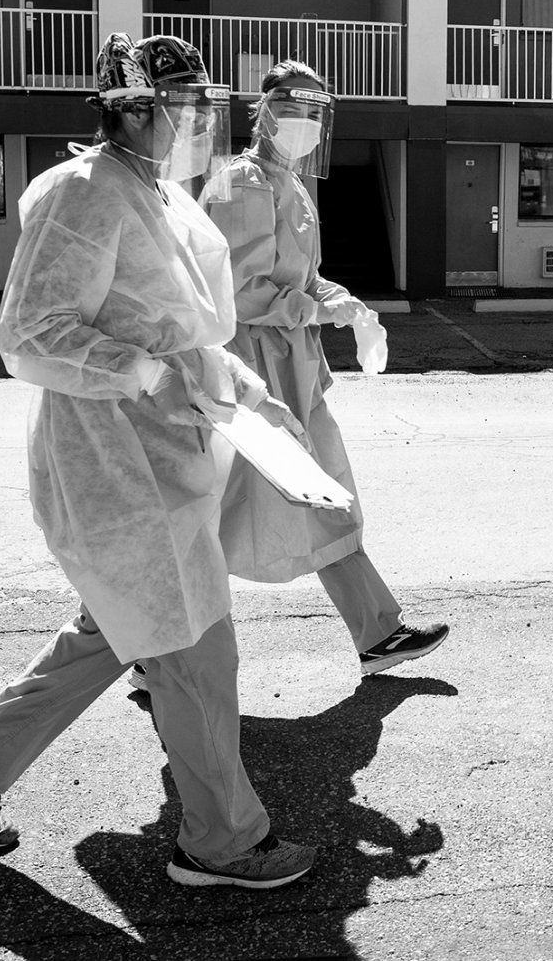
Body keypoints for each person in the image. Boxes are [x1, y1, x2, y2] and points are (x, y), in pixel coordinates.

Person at [0, 32, 316, 891]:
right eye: (185, 104)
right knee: (193, 648)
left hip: (169, 456)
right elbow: (31, 330)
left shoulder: (160, 196)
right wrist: (143, 373)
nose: (199, 119)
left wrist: (245, 392)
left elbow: (187, 329)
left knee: (121, 628)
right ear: (134, 106)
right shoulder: (84, 193)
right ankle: (222, 840)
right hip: (115, 462)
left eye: (203, 104)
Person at [199, 61, 447, 677]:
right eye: (295, 110)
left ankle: (378, 631)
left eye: (316, 113)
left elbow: (300, 279)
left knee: (321, 493)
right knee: (207, 511)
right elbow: (239, 288)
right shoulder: (245, 182)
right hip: (255, 366)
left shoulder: (290, 183)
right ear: (263, 113)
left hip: (293, 365)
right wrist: (315, 308)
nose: (306, 124)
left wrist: (346, 304)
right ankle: (156, 654)